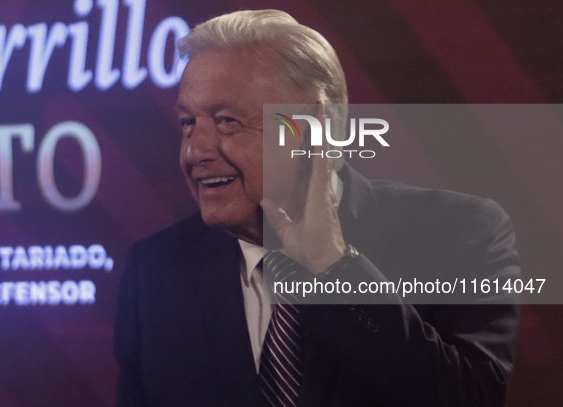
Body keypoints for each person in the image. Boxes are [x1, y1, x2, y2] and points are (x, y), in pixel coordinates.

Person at [114, 9, 520, 407]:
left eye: (226, 121)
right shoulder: (155, 269)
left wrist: (334, 267)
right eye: (188, 123)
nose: (194, 151)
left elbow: (470, 397)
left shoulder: (459, 232)